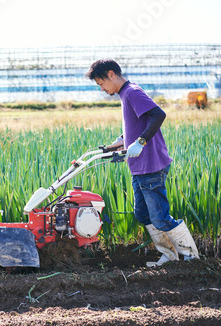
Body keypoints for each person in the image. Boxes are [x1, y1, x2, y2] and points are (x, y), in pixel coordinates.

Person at [85, 59, 199, 267]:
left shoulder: (132, 92)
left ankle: (192, 258)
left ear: (111, 74)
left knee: (160, 218)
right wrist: (122, 141)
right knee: (143, 213)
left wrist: (140, 141)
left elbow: (158, 115)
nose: (101, 89)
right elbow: (140, 122)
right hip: (139, 166)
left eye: (101, 83)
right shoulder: (125, 94)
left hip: (151, 165)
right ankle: (170, 256)